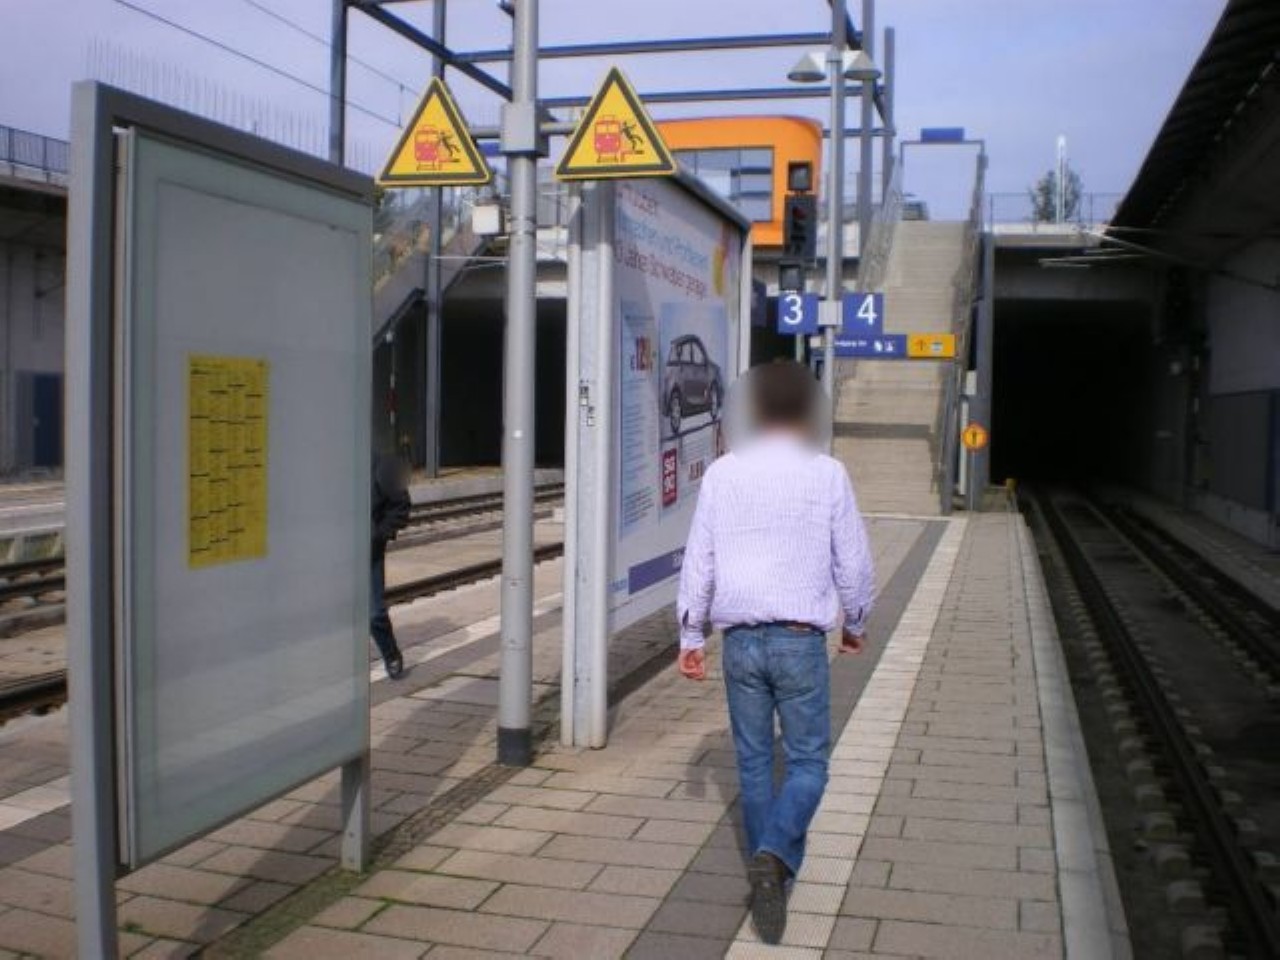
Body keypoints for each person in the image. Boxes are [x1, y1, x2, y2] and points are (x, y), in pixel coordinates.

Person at [675, 360, 875, 945]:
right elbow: (853, 562)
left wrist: (690, 637)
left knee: (755, 763)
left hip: (739, 642)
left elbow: (700, 561)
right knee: (810, 762)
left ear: (756, 411)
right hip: (798, 640)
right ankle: (775, 857)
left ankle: (769, 875)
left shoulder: (722, 474)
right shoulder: (828, 474)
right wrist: (856, 622)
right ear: (808, 412)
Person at [372, 451, 411, 679]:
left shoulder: (380, 463)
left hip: (368, 553)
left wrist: (378, 535)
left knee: (374, 613)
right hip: (333, 553)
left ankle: (390, 653)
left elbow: (401, 505)